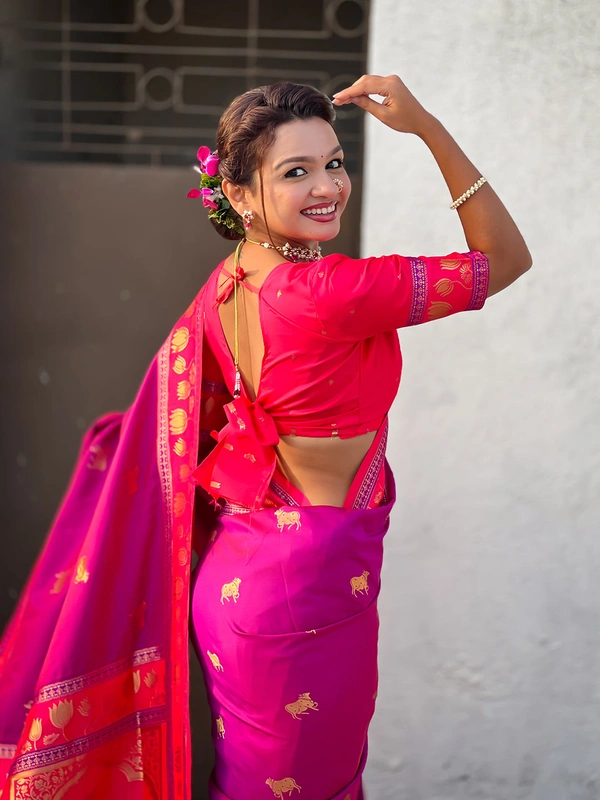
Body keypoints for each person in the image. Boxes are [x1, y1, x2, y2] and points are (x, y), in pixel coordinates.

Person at [0, 77, 531, 800]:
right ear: (240, 195)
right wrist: (429, 128)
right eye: (295, 172)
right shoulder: (332, 293)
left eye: (334, 163)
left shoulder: (229, 282)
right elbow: (505, 260)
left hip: (244, 579)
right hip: (303, 599)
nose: (327, 187)